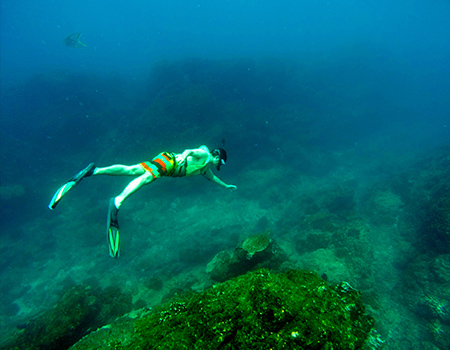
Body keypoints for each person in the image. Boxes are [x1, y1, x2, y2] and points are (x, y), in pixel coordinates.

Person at [48, 145, 237, 258]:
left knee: (132, 170)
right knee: (146, 178)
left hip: (167, 162)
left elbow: (213, 179)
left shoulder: (205, 169)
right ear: (218, 156)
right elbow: (190, 150)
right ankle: (118, 200)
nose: (220, 166)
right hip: (170, 163)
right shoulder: (204, 154)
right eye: (221, 162)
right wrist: (184, 157)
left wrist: (226, 185)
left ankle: (94, 171)